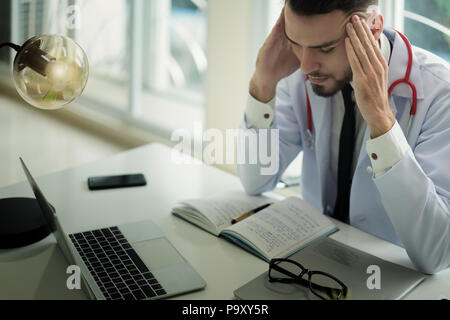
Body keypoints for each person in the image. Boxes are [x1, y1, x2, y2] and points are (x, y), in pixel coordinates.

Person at [237, 0, 450, 274]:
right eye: (295, 42)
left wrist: (382, 122)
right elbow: (255, 180)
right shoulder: (303, 72)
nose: (305, 64)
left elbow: (437, 253)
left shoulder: (440, 94)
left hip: (392, 277)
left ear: (373, 28)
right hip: (313, 266)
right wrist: (262, 84)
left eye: (325, 48)